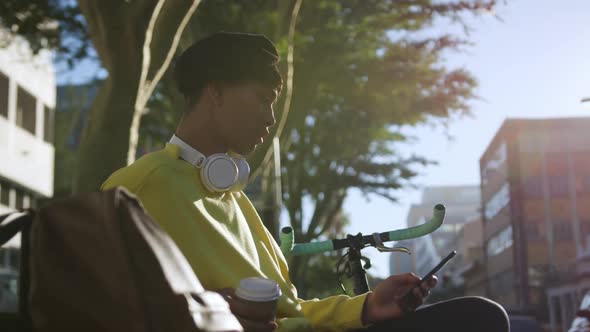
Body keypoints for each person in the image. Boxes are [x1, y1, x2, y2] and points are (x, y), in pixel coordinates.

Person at [102, 32, 509, 332]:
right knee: (479, 319)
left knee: (481, 316)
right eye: (262, 99)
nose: (270, 118)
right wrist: (210, 313)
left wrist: (366, 308)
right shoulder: (137, 190)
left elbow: (292, 313)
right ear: (216, 92)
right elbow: (97, 309)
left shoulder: (238, 204)